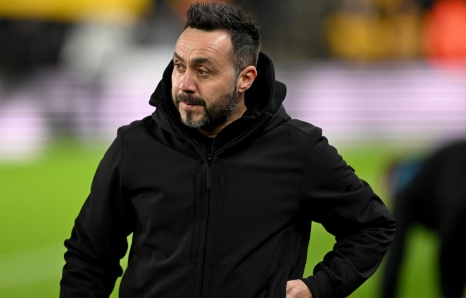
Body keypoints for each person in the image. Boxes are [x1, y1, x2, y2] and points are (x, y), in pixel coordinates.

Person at [60, 2, 396, 298]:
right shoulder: (134, 145)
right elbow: (89, 256)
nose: (185, 84)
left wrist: (319, 287)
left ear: (245, 78)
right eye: (179, 66)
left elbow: (372, 227)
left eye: (203, 71)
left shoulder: (298, 149)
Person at [381, 139, 466, 298]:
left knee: (450, 274)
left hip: (457, 209)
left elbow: (394, 258)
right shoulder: (432, 171)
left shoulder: (406, 193)